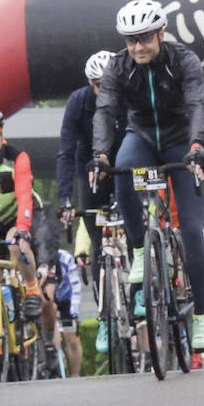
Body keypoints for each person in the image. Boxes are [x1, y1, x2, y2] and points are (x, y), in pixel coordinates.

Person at [92, 0, 204, 351]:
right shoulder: (118, 66)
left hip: (180, 140)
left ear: (160, 33)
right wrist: (100, 154)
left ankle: (202, 317)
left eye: (144, 37)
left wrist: (198, 146)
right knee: (121, 171)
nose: (138, 46)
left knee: (192, 229)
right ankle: (140, 248)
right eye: (130, 39)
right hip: (140, 136)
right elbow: (105, 109)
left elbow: (197, 104)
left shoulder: (183, 61)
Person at [0, 106, 43, 319]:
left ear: (1, 135)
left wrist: (22, 228)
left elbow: (24, 195)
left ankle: (32, 290)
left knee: (15, 245)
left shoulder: (17, 158)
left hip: (17, 214)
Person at [57, 50, 123, 265]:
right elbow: (65, 152)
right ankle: (102, 282)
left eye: (109, 84)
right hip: (89, 165)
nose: (104, 91)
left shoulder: (130, 95)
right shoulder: (78, 101)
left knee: (134, 230)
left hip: (124, 158)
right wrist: (65, 199)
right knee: (98, 244)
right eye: (98, 85)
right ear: (89, 82)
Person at [40, 247, 84, 377]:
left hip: (66, 299)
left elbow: (76, 285)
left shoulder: (65, 258)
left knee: (72, 340)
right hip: (47, 298)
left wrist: (74, 312)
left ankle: (75, 375)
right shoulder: (38, 258)